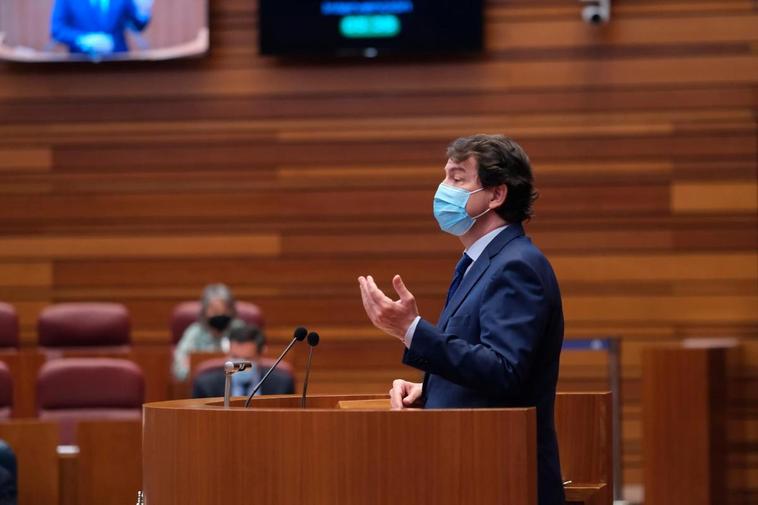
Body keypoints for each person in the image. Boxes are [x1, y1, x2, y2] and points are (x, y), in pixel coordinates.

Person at [358, 134, 565, 505]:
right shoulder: (478, 263)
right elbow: (480, 362)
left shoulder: (516, 266)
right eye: (444, 177)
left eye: (457, 178)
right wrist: (433, 388)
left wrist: (411, 331)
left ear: (496, 195)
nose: (443, 190)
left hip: (505, 477)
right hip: (473, 471)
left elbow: (504, 371)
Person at [192, 324, 295, 398]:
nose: (240, 365)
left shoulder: (282, 385)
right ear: (227, 354)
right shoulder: (206, 386)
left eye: (247, 359)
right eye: (235, 357)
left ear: (260, 356)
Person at [172, 283, 247, 382]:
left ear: (232, 310)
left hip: (235, 386)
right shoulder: (194, 333)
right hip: (201, 388)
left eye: (225, 310)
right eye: (215, 311)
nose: (220, 315)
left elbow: (251, 365)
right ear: (205, 311)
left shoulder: (240, 329)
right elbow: (179, 370)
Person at [50, 0, 153, 56]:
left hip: (118, 64)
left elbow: (138, 25)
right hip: (81, 65)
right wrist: (83, 39)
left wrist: (143, 10)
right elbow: (57, 30)